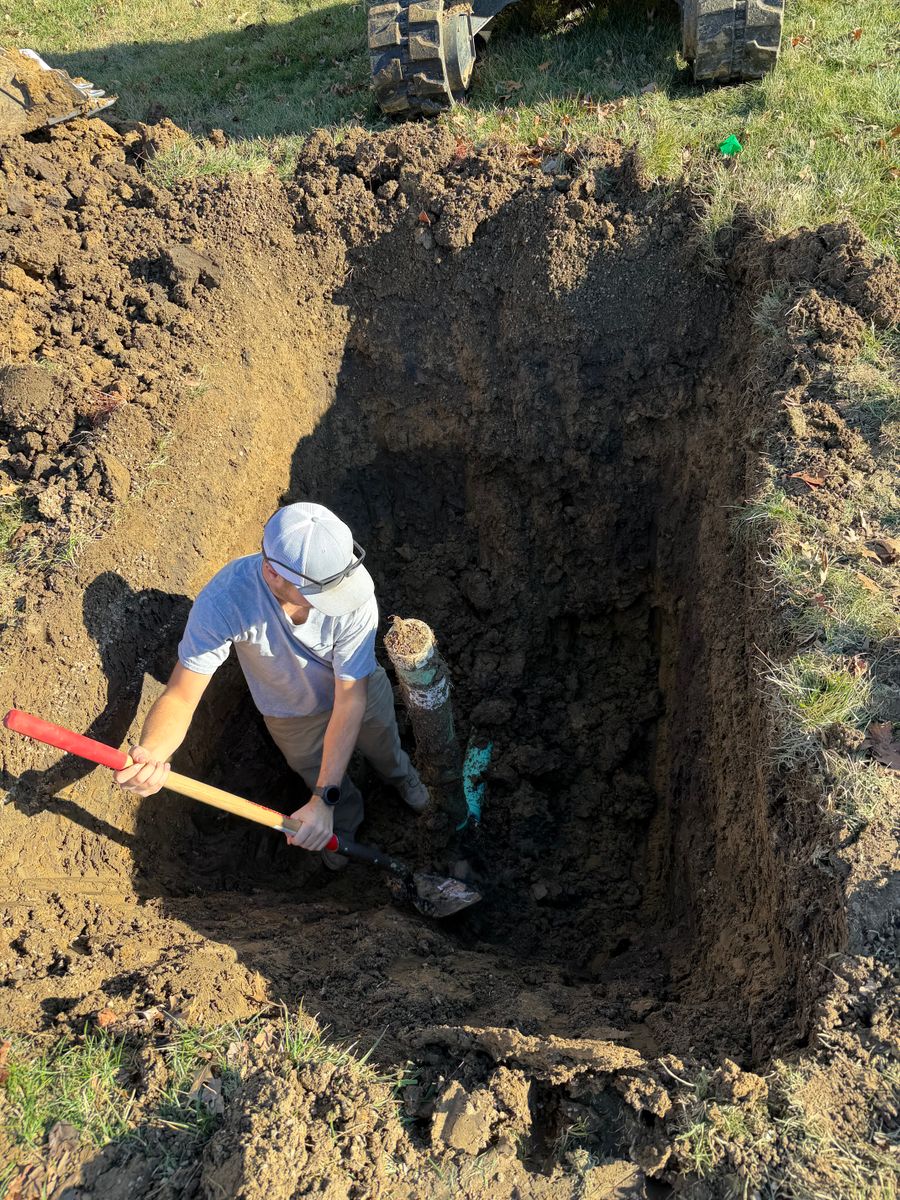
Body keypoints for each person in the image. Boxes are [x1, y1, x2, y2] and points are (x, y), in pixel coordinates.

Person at [114, 502, 429, 867]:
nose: (336, 600)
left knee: (383, 744)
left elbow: (350, 700)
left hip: (358, 691)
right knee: (318, 777)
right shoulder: (226, 600)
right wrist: (152, 753)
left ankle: (401, 777)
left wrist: (323, 797)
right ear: (273, 573)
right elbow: (182, 695)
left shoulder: (353, 590)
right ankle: (339, 828)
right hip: (291, 714)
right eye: (320, 593)